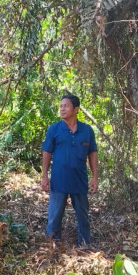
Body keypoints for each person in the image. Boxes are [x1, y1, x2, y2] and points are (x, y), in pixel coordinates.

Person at [40, 93, 98, 246]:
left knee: (83, 215)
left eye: (66, 106)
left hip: (79, 180)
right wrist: (44, 176)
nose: (62, 109)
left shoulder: (87, 130)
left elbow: (92, 153)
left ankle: (84, 245)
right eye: (61, 106)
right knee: (54, 215)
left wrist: (95, 177)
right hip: (59, 179)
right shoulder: (54, 129)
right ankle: (52, 244)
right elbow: (47, 152)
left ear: (76, 109)